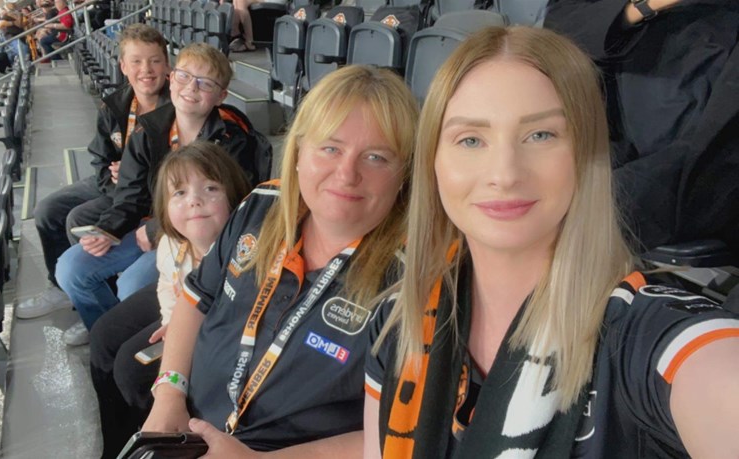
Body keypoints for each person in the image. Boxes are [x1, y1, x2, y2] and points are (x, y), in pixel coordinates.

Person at [363, 26, 739, 459]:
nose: (504, 173)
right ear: (434, 162)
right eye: (470, 139)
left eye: (541, 135)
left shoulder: (647, 340)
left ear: (586, 153)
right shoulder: (395, 323)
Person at [140, 64, 418, 457]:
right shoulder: (260, 206)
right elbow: (196, 298)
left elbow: (393, 433)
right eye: (330, 147)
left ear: (404, 174)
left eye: (375, 157)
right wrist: (169, 392)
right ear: (300, 151)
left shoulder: (410, 281)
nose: (346, 174)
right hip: (192, 428)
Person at [55, 42, 271, 346]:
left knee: (131, 285)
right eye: (184, 77)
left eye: (205, 83)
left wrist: (156, 229)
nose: (191, 88)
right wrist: (108, 229)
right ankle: (111, 336)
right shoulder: (147, 131)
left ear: (221, 96)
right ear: (171, 79)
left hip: (195, 233)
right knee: (71, 268)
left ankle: (158, 345)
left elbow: (235, 204)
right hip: (146, 227)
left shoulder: (233, 138)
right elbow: (129, 196)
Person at [90, 142, 252, 459]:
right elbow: (166, 283)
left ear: (234, 199)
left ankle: (166, 440)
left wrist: (180, 328)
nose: (194, 200)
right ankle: (117, 438)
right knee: (103, 336)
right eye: (179, 193)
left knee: (130, 368)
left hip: (215, 332)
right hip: (178, 308)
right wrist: (169, 319)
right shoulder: (170, 245)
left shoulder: (246, 257)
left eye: (210, 188)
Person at [545, 0, 739, 256]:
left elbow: (711, 149)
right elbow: (558, 27)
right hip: (614, 125)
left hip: (699, 162)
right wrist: (644, 7)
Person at [15, 24, 171, 323]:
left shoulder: (177, 105)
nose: (146, 69)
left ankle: (97, 290)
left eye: (154, 60)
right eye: (136, 61)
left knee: (80, 219)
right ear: (123, 66)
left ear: (166, 65)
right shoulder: (115, 104)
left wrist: (130, 178)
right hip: (112, 185)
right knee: (48, 210)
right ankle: (61, 287)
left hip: (146, 193)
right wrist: (111, 179)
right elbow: (100, 157)